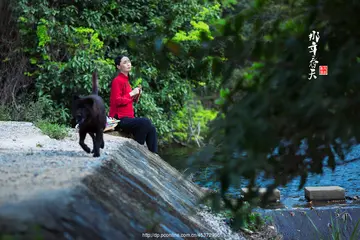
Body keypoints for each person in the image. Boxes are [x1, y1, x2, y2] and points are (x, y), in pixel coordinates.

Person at [108, 55, 158, 154]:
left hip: (128, 118)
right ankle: (137, 151)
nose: (128, 64)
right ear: (118, 66)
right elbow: (117, 101)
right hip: (118, 119)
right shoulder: (117, 81)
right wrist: (132, 93)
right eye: (125, 62)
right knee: (145, 122)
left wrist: (136, 95)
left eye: (129, 61)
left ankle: (154, 155)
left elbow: (127, 100)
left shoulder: (126, 81)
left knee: (152, 128)